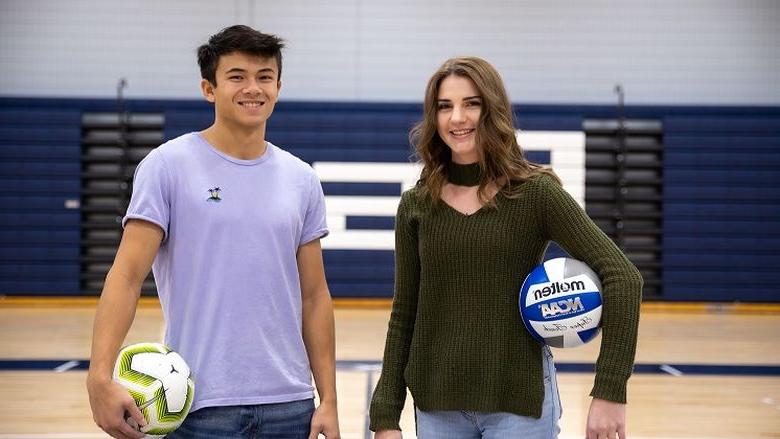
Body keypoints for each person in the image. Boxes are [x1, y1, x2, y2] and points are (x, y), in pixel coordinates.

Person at [86, 25, 340, 439]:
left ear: (278, 86)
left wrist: (328, 399)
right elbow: (126, 277)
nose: (253, 88)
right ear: (209, 88)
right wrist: (99, 376)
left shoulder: (301, 179)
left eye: (264, 77)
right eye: (236, 76)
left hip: (290, 406)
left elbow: (314, 296)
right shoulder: (167, 166)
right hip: (197, 406)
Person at [369, 56, 643, 439]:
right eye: (445, 106)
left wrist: (610, 390)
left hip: (520, 407)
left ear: (492, 110)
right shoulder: (417, 205)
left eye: (472, 103)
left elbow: (623, 277)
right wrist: (385, 413)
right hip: (437, 407)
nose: (457, 117)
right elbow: (405, 313)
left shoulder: (535, 194)